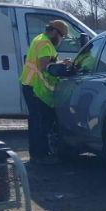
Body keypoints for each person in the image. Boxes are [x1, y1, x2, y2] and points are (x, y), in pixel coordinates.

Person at [20, 20, 70, 164]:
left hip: (31, 85)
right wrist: (63, 64)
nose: (61, 40)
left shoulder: (40, 39)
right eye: (62, 36)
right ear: (54, 32)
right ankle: (39, 156)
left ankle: (38, 154)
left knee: (37, 122)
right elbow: (44, 66)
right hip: (35, 88)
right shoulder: (45, 43)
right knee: (39, 124)